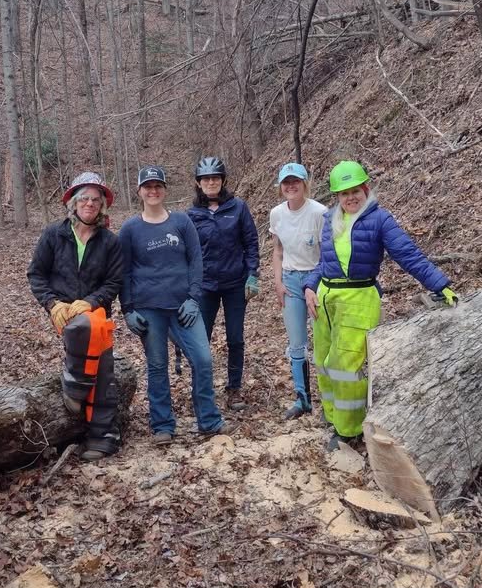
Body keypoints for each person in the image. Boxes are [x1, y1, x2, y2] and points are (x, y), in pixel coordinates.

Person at [303, 160, 459, 452]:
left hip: (358, 298)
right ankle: (333, 417)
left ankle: (348, 431)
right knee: (324, 362)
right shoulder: (329, 219)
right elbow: (323, 263)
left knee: (346, 366)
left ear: (365, 188)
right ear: (336, 196)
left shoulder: (380, 220)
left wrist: (440, 284)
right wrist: (310, 286)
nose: (350, 197)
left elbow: (408, 254)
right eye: (343, 193)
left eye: (355, 191)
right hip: (325, 298)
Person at [118, 166, 232, 444]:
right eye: (148, 186)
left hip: (184, 307)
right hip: (148, 308)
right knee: (157, 366)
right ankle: (162, 425)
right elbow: (123, 272)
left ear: (165, 190)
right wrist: (128, 310)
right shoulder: (130, 229)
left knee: (203, 360)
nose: (153, 191)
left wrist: (194, 298)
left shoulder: (181, 222)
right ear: (139, 191)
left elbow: (196, 261)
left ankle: (208, 419)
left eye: (158, 186)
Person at [27, 171, 123, 462]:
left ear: (102, 206)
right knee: (81, 338)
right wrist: (52, 304)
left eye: (95, 199)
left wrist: (92, 301)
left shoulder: (109, 241)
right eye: (84, 198)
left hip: (95, 314)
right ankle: (77, 394)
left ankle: (102, 434)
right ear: (73, 202)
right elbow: (36, 274)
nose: (90, 203)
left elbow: (114, 282)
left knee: (103, 369)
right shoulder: (53, 235)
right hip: (63, 314)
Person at [186, 157, 259, 410]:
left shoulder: (238, 208)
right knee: (200, 340)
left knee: (235, 338)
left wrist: (253, 273)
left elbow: (251, 242)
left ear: (223, 180)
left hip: (235, 283)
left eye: (215, 178)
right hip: (204, 286)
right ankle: (201, 389)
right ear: (198, 183)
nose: (211, 182)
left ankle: (234, 389)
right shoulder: (191, 215)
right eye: (206, 179)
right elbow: (187, 253)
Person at [269, 163, 327, 420]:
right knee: (296, 344)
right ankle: (302, 398)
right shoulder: (277, 214)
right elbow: (278, 250)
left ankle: (330, 398)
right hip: (291, 280)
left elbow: (328, 254)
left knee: (324, 342)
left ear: (305, 184)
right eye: (286, 183)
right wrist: (278, 282)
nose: (291, 187)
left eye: (296, 182)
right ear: (281, 186)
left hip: (317, 280)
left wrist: (314, 285)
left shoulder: (319, 212)